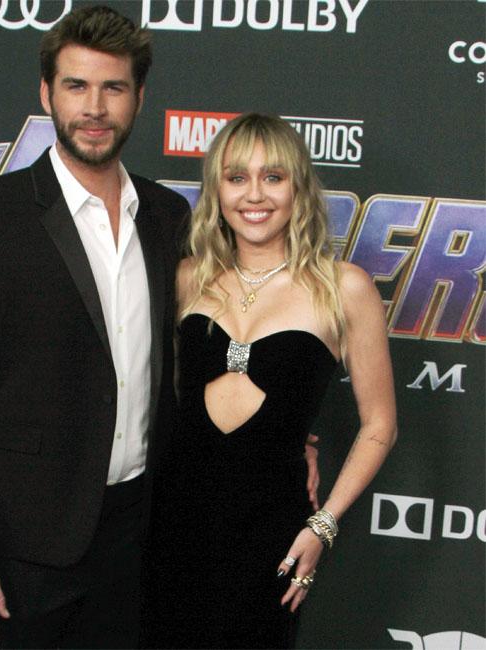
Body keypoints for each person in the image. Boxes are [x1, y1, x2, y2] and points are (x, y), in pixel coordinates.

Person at [0, 6, 191, 648]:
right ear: (47, 93)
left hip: (141, 534)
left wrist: (295, 433)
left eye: (113, 87)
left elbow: (199, 356)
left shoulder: (167, 214)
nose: (94, 108)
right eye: (76, 86)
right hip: (26, 545)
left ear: (139, 97)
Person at [144, 113, 397, 649]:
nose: (254, 195)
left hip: (272, 533)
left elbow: (379, 425)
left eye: (273, 177)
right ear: (217, 190)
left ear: (298, 187)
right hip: (170, 523)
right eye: (237, 178)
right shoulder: (187, 277)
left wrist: (323, 526)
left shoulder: (343, 288)